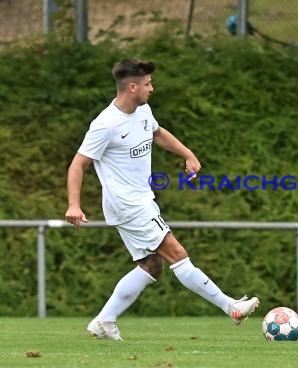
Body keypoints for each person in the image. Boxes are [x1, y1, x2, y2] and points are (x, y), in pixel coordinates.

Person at [65, 58, 259, 341]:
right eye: (147, 84)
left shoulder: (143, 110)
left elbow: (157, 133)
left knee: (152, 265)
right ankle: (231, 307)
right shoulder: (105, 124)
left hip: (139, 200)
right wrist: (74, 204)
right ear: (132, 87)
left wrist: (187, 154)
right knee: (176, 253)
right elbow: (78, 164)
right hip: (129, 203)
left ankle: (104, 321)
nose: (151, 88)